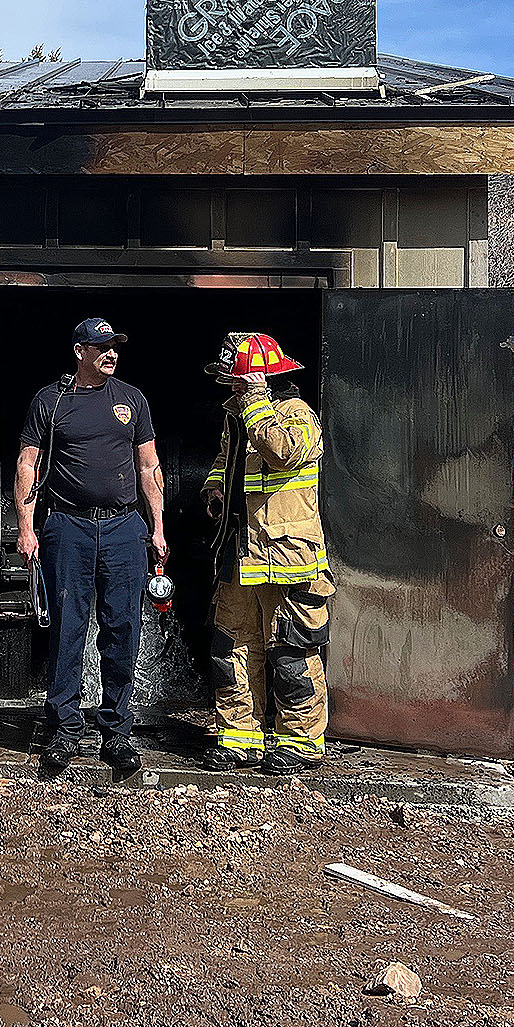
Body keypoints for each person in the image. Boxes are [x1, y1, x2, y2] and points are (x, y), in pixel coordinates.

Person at [14, 316, 168, 779]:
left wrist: (158, 528)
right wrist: (26, 528)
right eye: (102, 347)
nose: (112, 353)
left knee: (123, 629)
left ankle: (116, 731)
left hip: (123, 528)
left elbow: (149, 467)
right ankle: (64, 729)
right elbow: (27, 463)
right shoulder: (51, 400)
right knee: (68, 630)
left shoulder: (132, 399)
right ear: (79, 351)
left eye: (115, 346)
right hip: (68, 528)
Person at [199, 331, 331, 776]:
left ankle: (301, 742)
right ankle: (240, 738)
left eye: (239, 381)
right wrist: (215, 487)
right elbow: (227, 458)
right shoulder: (239, 417)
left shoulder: (297, 415)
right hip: (240, 551)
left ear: (260, 380)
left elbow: (283, 454)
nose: (232, 388)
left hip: (287, 556)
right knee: (231, 647)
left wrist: (256, 402)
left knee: (290, 651)